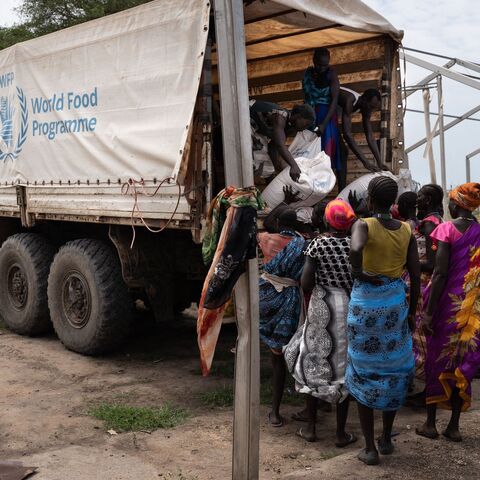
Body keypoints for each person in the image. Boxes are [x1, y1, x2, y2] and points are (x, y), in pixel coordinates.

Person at [346, 176, 420, 465]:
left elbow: (355, 248)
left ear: (370, 199)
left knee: (364, 370)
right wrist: (411, 312)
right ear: (392, 201)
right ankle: (386, 439)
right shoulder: (405, 230)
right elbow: (414, 276)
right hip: (393, 305)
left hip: (366, 305)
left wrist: (359, 272)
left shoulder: (363, 225)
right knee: (392, 371)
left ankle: (369, 448)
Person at [284, 199, 357, 447]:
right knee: (343, 364)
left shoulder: (318, 244)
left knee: (313, 357)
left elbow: (305, 281)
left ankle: (311, 428)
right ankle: (340, 433)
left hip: (321, 302)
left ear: (327, 220)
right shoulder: (353, 244)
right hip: (346, 303)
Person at [417, 182, 480, 442]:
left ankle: (430, 424)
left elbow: (440, 272)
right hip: (472, 307)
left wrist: (429, 313)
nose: (450, 206)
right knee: (462, 361)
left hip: (446, 305)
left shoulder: (446, 229)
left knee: (437, 357)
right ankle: (453, 426)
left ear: (457, 205)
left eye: (452, 202)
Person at [258, 209, 307, 427]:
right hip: (291, 298)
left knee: (276, 357)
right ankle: (313, 403)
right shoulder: (302, 244)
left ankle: (275, 411)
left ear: (277, 222)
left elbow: (264, 225)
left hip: (268, 297)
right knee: (299, 353)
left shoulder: (266, 239)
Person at [408, 184, 444, 398]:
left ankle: (428, 390)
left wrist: (408, 264)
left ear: (428, 200)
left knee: (421, 337)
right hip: (427, 284)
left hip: (423, 285)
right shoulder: (437, 221)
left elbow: (432, 263)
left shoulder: (430, 225)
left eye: (420, 197)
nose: (417, 200)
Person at [303, 48, 342, 188]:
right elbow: (306, 97)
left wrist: (324, 124)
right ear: (314, 61)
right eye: (319, 64)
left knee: (327, 153)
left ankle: (325, 187)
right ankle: (310, 187)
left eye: (325, 64)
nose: (322, 68)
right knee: (310, 153)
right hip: (310, 115)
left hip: (327, 116)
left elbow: (334, 100)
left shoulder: (331, 74)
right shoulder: (308, 73)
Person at [250, 100, 315, 182]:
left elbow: (273, 147)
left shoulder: (290, 128)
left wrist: (279, 170)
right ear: (298, 116)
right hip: (244, 119)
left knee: (269, 168)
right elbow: (280, 145)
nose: (304, 129)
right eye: (306, 125)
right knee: (249, 158)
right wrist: (294, 165)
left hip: (257, 131)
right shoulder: (280, 117)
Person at [338, 87, 390, 174]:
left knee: (342, 152)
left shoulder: (366, 107)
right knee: (342, 152)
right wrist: (365, 162)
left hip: (330, 116)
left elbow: (370, 136)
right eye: (371, 106)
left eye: (374, 108)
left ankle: (341, 187)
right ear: (364, 99)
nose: (371, 110)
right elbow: (347, 134)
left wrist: (379, 162)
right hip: (319, 108)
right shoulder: (350, 99)